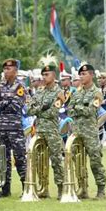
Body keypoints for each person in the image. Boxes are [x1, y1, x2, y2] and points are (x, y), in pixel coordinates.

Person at [26, 57, 65, 199]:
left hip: (52, 131)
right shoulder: (40, 92)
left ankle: (61, 188)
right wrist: (41, 108)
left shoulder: (59, 92)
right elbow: (28, 110)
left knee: (56, 160)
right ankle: (43, 188)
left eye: (46, 74)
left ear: (54, 75)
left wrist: (39, 109)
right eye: (43, 75)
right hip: (40, 130)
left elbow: (53, 112)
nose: (44, 77)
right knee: (39, 160)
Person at [67, 63, 106, 200]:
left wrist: (78, 108)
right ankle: (82, 188)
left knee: (95, 160)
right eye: (80, 74)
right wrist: (81, 108)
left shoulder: (97, 92)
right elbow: (69, 110)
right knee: (78, 161)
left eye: (84, 74)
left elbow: (92, 110)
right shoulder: (76, 93)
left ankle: (101, 190)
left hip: (90, 132)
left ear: (91, 75)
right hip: (77, 131)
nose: (81, 76)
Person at [0, 59, 28, 197]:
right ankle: (5, 189)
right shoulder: (0, 86)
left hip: (15, 127)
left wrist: (3, 102)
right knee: (3, 158)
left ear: (15, 71)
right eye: (5, 69)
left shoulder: (20, 86)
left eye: (9, 69)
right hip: (2, 127)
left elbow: (17, 106)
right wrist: (7, 100)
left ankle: (26, 187)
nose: (6, 71)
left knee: (19, 158)